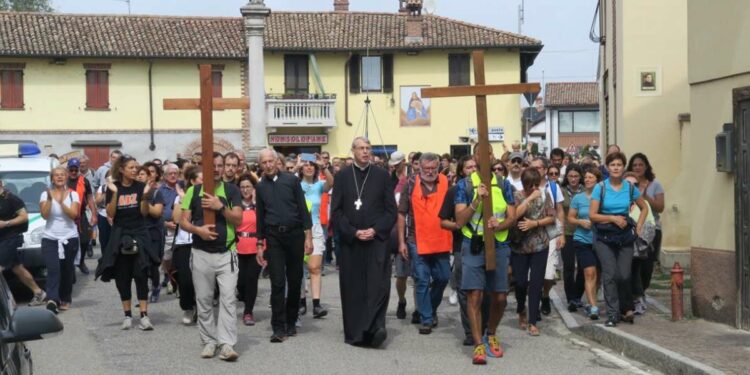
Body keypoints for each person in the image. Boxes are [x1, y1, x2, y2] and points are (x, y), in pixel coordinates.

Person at [331, 137, 397, 347]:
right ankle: (356, 332)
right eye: (361, 148)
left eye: (368, 148)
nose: (365, 152)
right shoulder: (342, 176)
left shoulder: (381, 175)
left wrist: (375, 230)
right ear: (353, 151)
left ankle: (376, 328)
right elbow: (336, 211)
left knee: (378, 285)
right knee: (353, 287)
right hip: (352, 242)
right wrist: (353, 232)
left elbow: (390, 210)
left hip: (377, 241)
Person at [454, 144, 516, 364]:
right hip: (474, 245)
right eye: (481, 153)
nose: (485, 157)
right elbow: (459, 220)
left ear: (493, 156)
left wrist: (500, 224)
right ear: (475, 156)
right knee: (475, 295)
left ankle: (491, 333)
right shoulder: (465, 185)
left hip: (498, 245)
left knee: (500, 297)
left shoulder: (503, 184)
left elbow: (512, 216)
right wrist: (477, 200)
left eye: (489, 153)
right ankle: (478, 343)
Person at [180, 152, 243, 361]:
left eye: (220, 165)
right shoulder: (193, 190)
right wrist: (199, 231)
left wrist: (220, 207)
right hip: (200, 253)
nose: (216, 169)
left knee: (228, 299)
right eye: (212, 165)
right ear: (204, 167)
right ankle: (209, 341)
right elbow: (183, 222)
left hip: (227, 253)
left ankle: (226, 344)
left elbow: (238, 219)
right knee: (204, 299)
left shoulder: (232, 190)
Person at [255, 149, 313, 343]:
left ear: (277, 162)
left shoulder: (291, 180)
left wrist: (308, 237)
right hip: (274, 238)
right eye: (264, 162)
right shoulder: (261, 187)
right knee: (277, 283)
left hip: (295, 234)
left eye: (271, 161)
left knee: (295, 281)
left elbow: (304, 210)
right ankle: (278, 327)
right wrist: (260, 244)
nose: (268, 165)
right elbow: (260, 218)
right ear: (261, 165)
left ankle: (291, 321)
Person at [96, 155, 159, 331]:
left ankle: (144, 316)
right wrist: (115, 193)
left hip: (139, 232)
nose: (135, 170)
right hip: (120, 234)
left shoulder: (140, 187)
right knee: (122, 277)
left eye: (136, 168)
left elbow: (144, 213)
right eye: (131, 167)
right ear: (122, 169)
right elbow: (111, 213)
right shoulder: (113, 187)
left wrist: (145, 197)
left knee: (141, 274)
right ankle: (127, 315)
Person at [589, 152, 649, 327]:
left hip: (624, 236)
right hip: (604, 237)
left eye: (619, 165)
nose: (616, 168)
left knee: (624, 275)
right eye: (612, 165)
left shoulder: (630, 188)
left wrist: (638, 226)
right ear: (607, 168)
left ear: (623, 168)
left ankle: (625, 308)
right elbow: (592, 215)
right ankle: (612, 314)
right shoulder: (601, 188)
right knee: (610, 275)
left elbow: (644, 208)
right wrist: (612, 218)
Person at [397, 153, 453, 335]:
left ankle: (429, 308)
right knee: (421, 280)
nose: (430, 172)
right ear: (419, 168)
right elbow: (401, 214)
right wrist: (401, 242)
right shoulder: (410, 184)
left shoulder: (446, 182)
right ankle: (426, 319)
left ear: (438, 168)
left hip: (441, 239)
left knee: (443, 278)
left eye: (433, 169)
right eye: (426, 168)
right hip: (416, 241)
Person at [440, 155, 486, 346]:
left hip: (487, 246)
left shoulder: (490, 189)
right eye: (468, 167)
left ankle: (485, 329)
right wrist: (458, 225)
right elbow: (443, 221)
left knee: (485, 292)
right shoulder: (455, 191)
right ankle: (470, 332)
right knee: (465, 291)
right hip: (462, 247)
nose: (473, 170)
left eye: (476, 166)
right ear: (461, 171)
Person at [511, 168, 555, 336]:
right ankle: (521, 308)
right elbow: (514, 215)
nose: (534, 188)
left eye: (536, 185)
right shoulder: (517, 196)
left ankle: (533, 322)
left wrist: (535, 224)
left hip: (540, 245)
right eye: (530, 186)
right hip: (519, 246)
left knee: (536, 283)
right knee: (521, 283)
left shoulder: (545, 195)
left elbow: (552, 217)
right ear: (524, 184)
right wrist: (529, 198)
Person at [626, 153, 664, 314]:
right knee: (634, 267)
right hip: (631, 231)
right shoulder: (626, 183)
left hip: (651, 230)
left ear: (646, 166)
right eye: (634, 165)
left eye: (641, 164)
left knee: (647, 267)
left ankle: (642, 290)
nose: (638, 167)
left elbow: (660, 207)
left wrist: (644, 194)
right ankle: (636, 295)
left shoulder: (655, 185)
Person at [40, 166, 81, 314]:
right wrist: (51, 200)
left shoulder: (73, 195)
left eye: (62, 175)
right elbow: (44, 215)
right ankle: (52, 299)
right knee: (53, 268)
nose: (59, 177)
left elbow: (73, 215)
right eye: (56, 175)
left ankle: (65, 298)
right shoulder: (45, 195)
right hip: (50, 237)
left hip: (69, 237)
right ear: (52, 178)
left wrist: (62, 202)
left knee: (67, 270)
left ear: (66, 177)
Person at [297, 154, 334, 319]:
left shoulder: (319, 185)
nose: (309, 167)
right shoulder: (295, 185)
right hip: (298, 229)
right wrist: (296, 166)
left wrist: (324, 166)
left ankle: (317, 304)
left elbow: (331, 183)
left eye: (312, 165)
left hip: (316, 228)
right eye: (306, 165)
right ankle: (301, 301)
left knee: (314, 267)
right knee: (298, 268)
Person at [0, 178, 47, 305]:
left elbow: (24, 216)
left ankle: (7, 302)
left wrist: (6, 223)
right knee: (17, 268)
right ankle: (39, 292)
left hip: (10, 238)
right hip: (1, 239)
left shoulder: (11, 199)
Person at [529, 157, 565, 316]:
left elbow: (560, 210)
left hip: (550, 233)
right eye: (533, 167)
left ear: (545, 170)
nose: (536, 170)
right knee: (533, 273)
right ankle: (534, 303)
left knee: (549, 274)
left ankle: (544, 295)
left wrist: (561, 233)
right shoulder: (526, 186)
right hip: (530, 235)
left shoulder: (553, 187)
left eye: (539, 167)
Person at [567, 166, 602, 320]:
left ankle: (590, 300)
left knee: (598, 275)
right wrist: (580, 221)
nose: (587, 180)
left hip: (601, 240)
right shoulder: (578, 198)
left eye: (591, 177)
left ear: (598, 181)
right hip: (582, 240)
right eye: (586, 177)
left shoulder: (603, 197)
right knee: (589, 272)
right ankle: (593, 306)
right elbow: (570, 218)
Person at [171, 166, 200, 326]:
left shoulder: (209, 196)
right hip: (184, 242)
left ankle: (202, 306)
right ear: (193, 181)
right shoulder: (181, 196)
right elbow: (176, 219)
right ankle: (188, 306)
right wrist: (182, 199)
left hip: (202, 241)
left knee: (203, 277)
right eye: (201, 180)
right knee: (185, 279)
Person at [236, 174, 263, 326]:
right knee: (240, 282)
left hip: (255, 245)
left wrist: (255, 203)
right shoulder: (235, 204)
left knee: (252, 280)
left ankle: (248, 311)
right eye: (243, 187)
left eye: (248, 187)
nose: (245, 190)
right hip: (238, 245)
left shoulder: (259, 204)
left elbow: (263, 224)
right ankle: (244, 299)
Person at [560, 163, 585, 312]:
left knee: (582, 267)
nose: (573, 179)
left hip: (583, 233)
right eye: (571, 176)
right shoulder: (561, 191)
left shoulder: (585, 191)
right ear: (567, 177)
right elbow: (559, 214)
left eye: (576, 176)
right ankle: (570, 298)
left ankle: (577, 296)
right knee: (568, 267)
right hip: (567, 233)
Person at [67, 158, 97, 275]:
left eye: (76, 170)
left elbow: (89, 197)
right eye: (71, 170)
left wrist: (94, 214)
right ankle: (70, 265)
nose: (73, 172)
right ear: (68, 169)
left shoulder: (84, 181)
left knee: (85, 240)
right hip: (67, 216)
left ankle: (81, 261)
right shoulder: (63, 181)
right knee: (70, 242)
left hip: (81, 215)